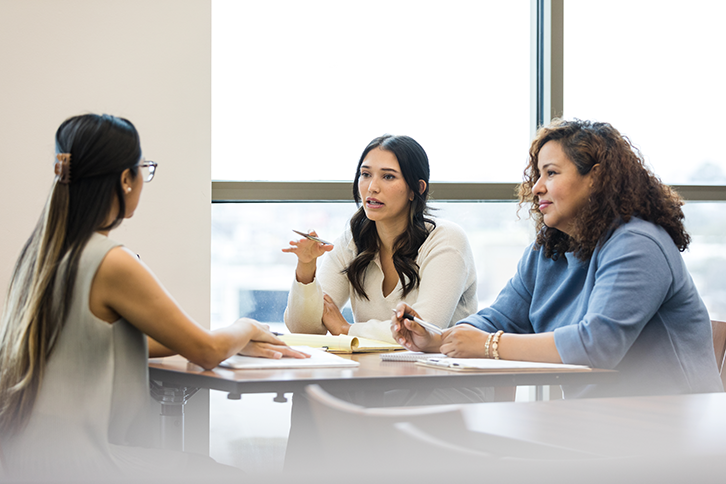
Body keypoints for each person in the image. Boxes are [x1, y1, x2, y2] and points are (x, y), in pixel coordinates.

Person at [0, 114, 308, 481]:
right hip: (81, 465)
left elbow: (109, 346)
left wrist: (231, 341)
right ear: (125, 180)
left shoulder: (43, 251)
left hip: (24, 458)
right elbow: (205, 352)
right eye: (143, 170)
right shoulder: (110, 260)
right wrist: (245, 326)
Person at [393, 119, 724, 398]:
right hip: (601, 424)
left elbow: (596, 345)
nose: (536, 187)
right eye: (537, 175)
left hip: (674, 426)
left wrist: (488, 346)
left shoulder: (638, 244)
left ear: (595, 177)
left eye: (551, 173)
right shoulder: (549, 250)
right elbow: (499, 319)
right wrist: (439, 339)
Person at [282, 134, 477, 344]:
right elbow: (304, 330)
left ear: (417, 189)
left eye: (388, 177)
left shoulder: (446, 240)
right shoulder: (354, 238)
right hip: (373, 371)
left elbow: (421, 331)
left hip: (441, 373)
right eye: (365, 174)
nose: (372, 187)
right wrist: (306, 268)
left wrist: (345, 329)